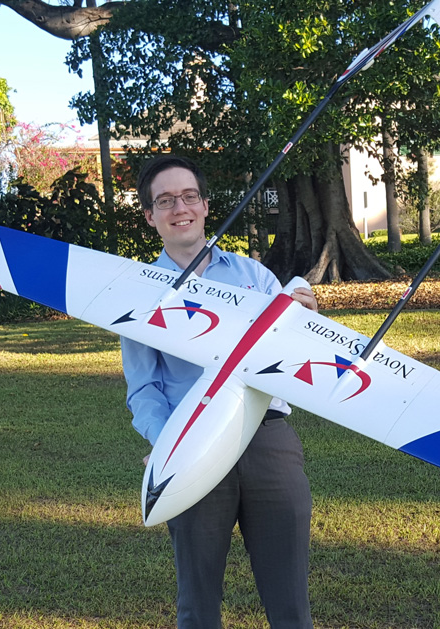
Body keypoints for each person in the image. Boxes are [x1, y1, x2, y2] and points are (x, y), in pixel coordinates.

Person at [120, 155, 316, 629]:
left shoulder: (255, 277)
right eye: (164, 201)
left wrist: (308, 320)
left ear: (206, 206)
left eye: (188, 196)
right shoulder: (139, 293)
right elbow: (143, 388)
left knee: (290, 601)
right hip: (194, 443)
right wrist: (168, 442)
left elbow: (295, 360)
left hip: (269, 439)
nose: (179, 208)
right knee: (198, 601)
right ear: (150, 216)